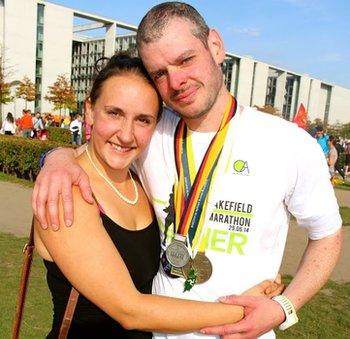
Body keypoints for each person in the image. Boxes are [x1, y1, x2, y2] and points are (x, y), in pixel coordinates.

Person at [33, 2, 343, 338]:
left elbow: (327, 235)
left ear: (215, 46)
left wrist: (284, 306)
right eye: (160, 73)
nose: (176, 81)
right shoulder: (152, 131)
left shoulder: (289, 144)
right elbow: (98, 146)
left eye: (185, 60)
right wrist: (55, 159)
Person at [34, 53, 280, 338]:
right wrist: (247, 309)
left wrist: (54, 156)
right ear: (89, 110)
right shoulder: (67, 193)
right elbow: (130, 309)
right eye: (114, 113)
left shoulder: (140, 179)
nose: (126, 135)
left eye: (143, 120)